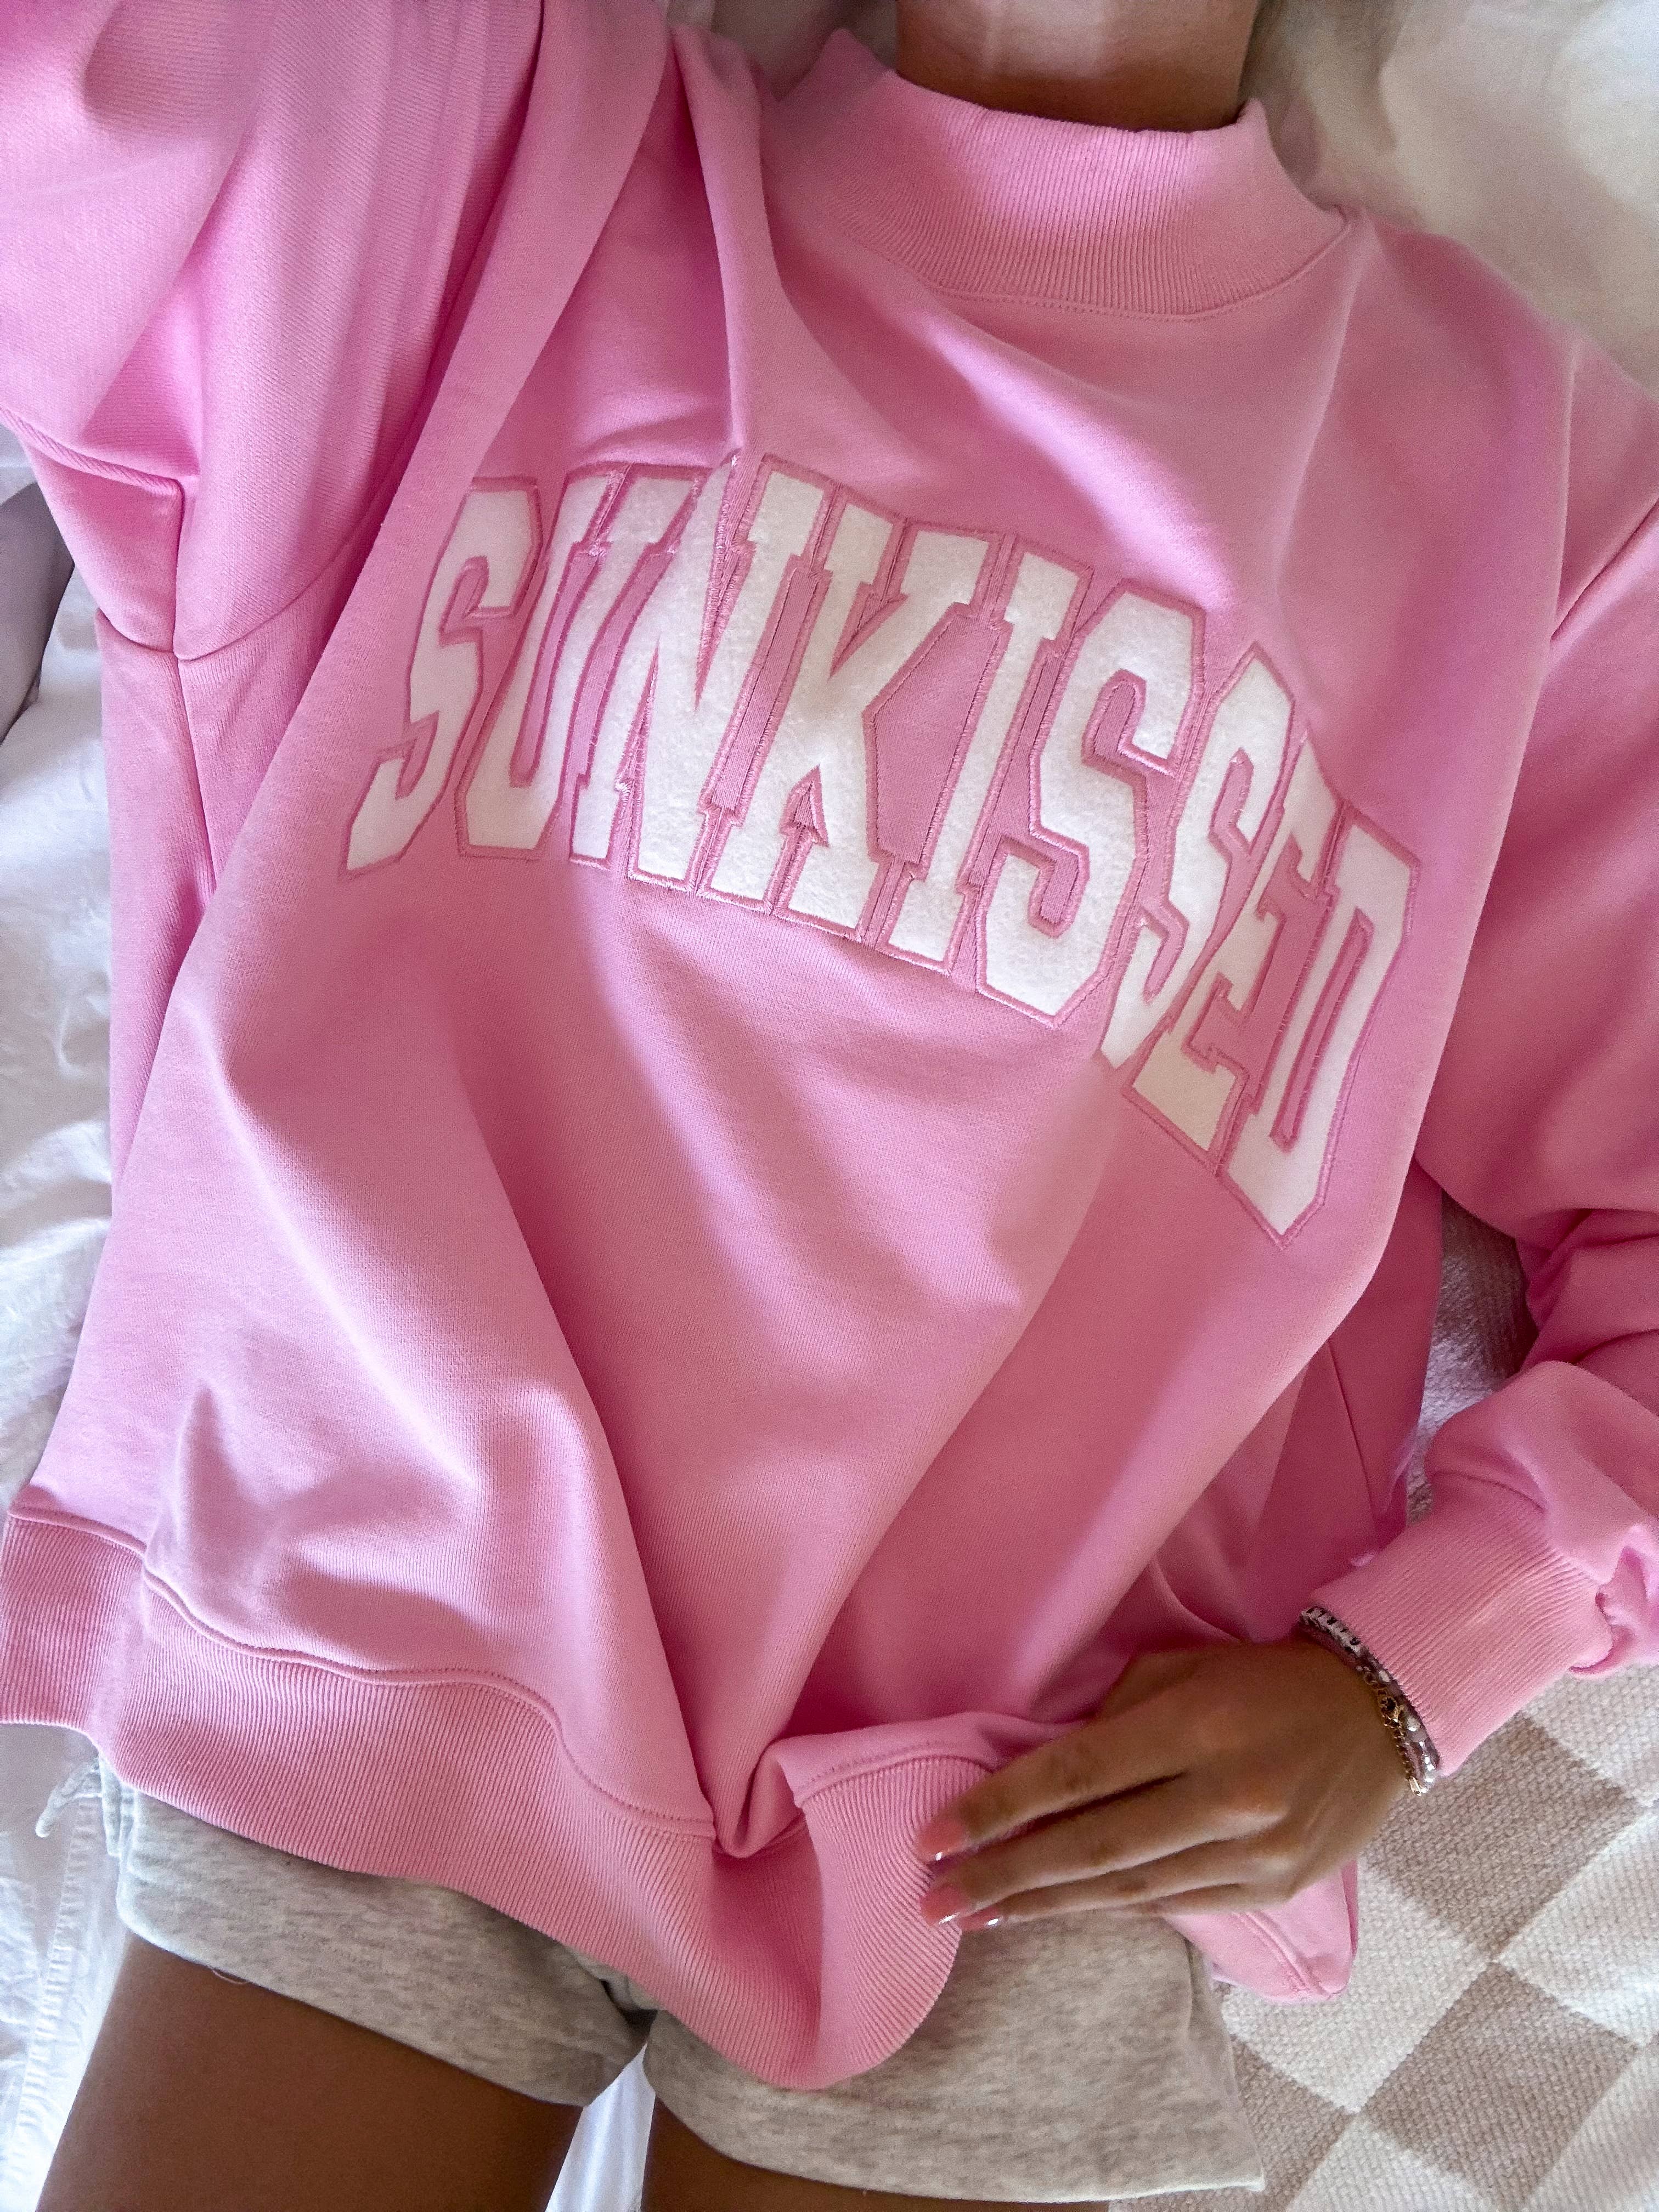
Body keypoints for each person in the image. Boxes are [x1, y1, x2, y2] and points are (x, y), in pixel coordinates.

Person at [3, 0, 1656, 2206]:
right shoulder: (503, 145)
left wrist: (1416, 1669)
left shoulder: (1533, 492)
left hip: (1042, 1790)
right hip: (386, 1593)